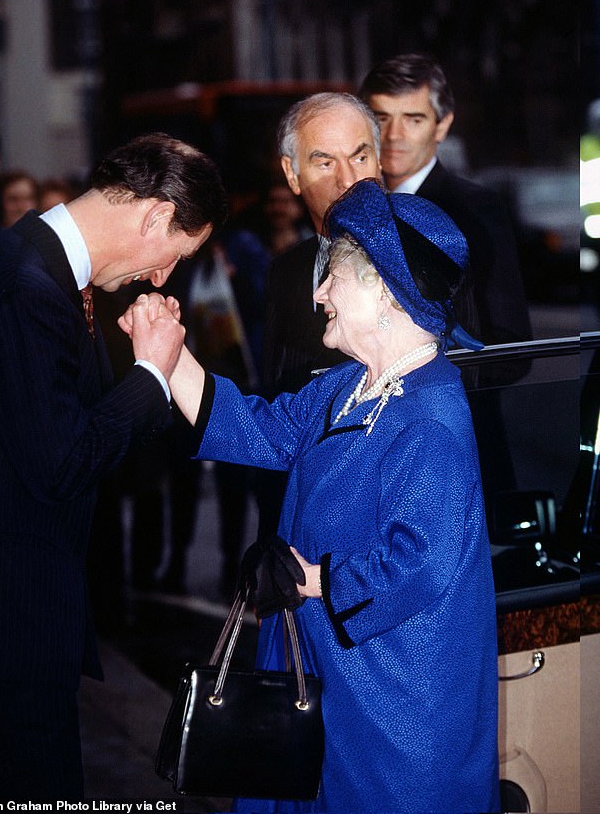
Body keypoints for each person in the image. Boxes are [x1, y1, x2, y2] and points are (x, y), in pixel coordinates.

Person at [122, 178, 500, 813]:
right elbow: (262, 429)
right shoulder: (350, 384)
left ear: (383, 290)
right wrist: (170, 356)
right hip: (332, 677)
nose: (319, 291)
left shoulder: (432, 418)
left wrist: (313, 579)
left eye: (335, 278)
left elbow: (423, 563)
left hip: (394, 701)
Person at [0, 132, 228, 800]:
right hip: (8, 628)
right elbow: (60, 464)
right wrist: (150, 373)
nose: (164, 275)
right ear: (153, 217)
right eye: (178, 252)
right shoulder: (27, 286)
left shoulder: (36, 268)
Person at [359, 52, 531, 349]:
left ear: (442, 125)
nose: (393, 136)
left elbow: (509, 345)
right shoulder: (355, 207)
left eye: (413, 120)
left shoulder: (476, 210)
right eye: (380, 118)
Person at [262, 92, 382, 397]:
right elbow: (278, 390)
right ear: (292, 174)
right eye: (326, 163)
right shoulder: (284, 273)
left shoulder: (428, 253)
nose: (348, 180)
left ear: (379, 162)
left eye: (360, 158)